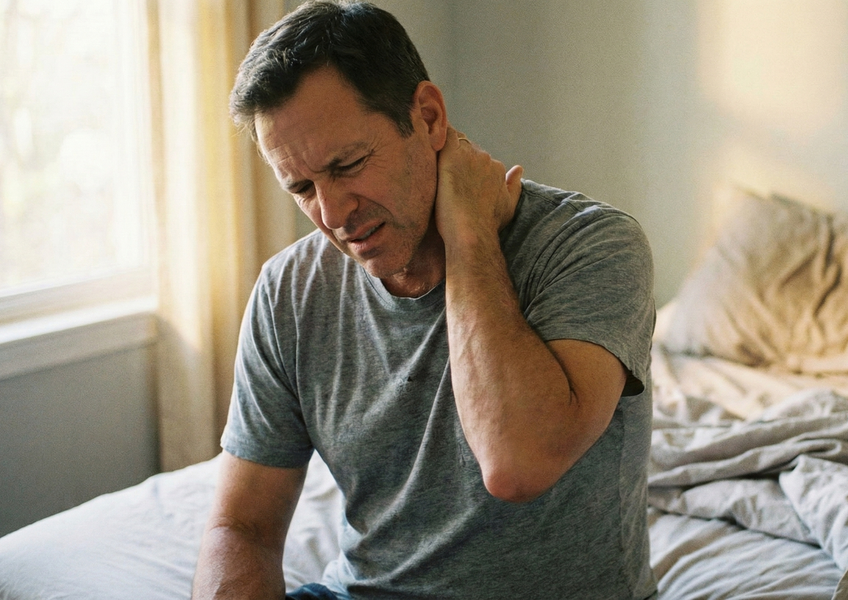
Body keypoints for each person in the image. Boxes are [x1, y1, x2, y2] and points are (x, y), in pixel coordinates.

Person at [190, 2, 656, 599]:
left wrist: (468, 233)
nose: (332, 215)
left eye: (348, 164)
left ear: (429, 117)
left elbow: (518, 464)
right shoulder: (289, 290)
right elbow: (243, 528)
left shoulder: (592, 246)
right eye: (302, 187)